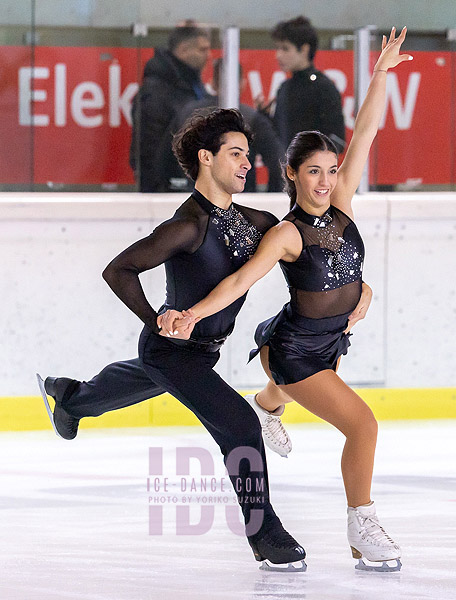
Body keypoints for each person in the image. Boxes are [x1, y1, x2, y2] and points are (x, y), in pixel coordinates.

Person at [160, 27, 412, 573]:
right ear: (292, 174)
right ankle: (362, 525)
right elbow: (237, 282)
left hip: (331, 339)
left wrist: (380, 74)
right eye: (313, 172)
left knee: (306, 388)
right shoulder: (287, 233)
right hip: (296, 348)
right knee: (363, 425)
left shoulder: (342, 205)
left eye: (331, 171)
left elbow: (365, 134)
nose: (325, 181)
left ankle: (270, 403)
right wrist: (192, 313)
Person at [38, 108, 308, 572]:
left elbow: (304, 245)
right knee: (240, 426)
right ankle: (265, 535)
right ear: (206, 158)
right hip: (172, 350)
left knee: (138, 381)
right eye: (236, 154)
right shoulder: (188, 226)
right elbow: (118, 269)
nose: (247, 163)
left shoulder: (255, 221)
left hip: (200, 352)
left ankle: (72, 398)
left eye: (248, 154)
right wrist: (155, 317)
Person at [157, 58, 285, 192]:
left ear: (213, 83)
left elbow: (163, 163)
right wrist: (268, 199)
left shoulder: (188, 114)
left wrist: (173, 192)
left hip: (193, 197)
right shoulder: (252, 119)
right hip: (240, 202)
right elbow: (279, 164)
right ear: (242, 84)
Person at [129, 23, 211, 192]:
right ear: (183, 50)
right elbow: (148, 149)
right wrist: (161, 190)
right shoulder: (157, 92)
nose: (208, 55)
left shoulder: (190, 85)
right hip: (167, 191)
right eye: (202, 50)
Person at [260, 16, 345, 154]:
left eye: (285, 49)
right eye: (278, 48)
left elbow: (337, 140)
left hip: (309, 172)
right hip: (284, 172)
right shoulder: (284, 88)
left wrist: (310, 162)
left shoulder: (322, 87)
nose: (278, 55)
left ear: (304, 50)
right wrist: (263, 118)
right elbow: (278, 139)